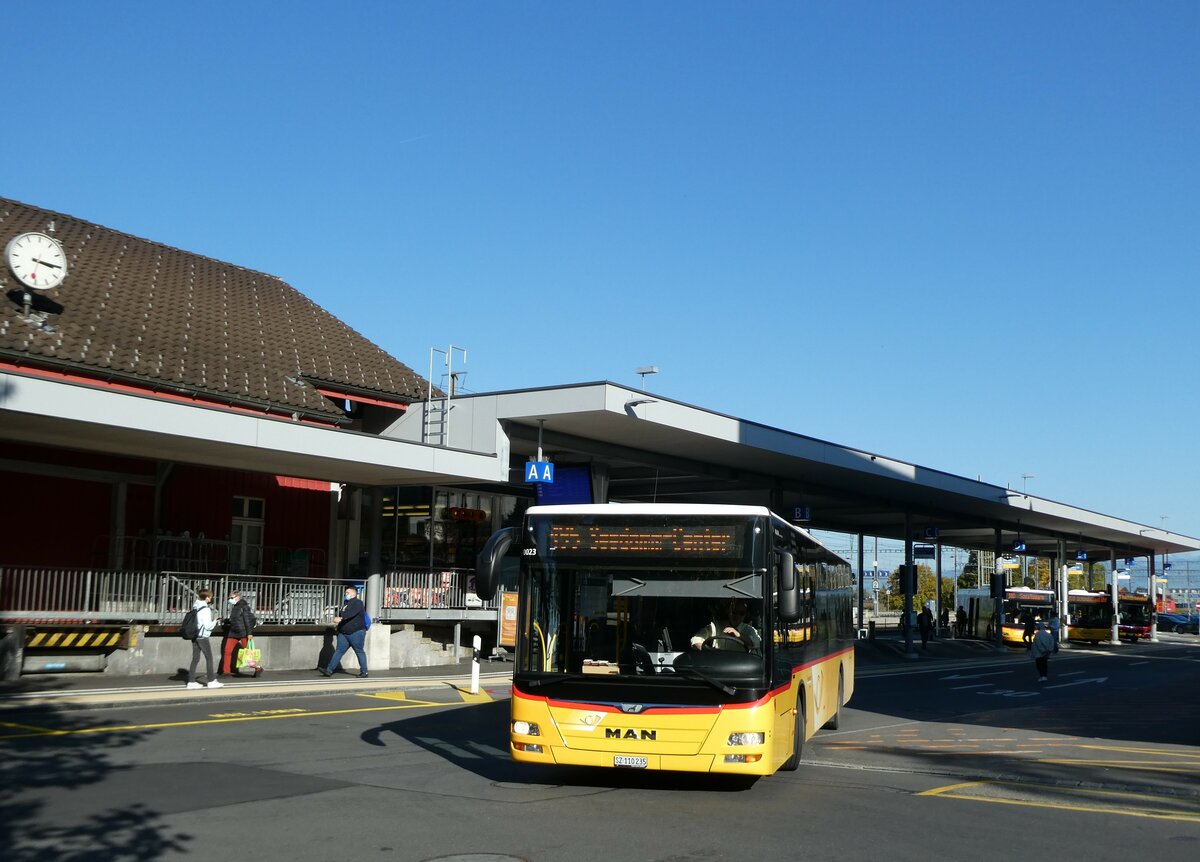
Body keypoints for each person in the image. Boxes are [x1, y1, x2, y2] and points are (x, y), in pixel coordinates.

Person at [321, 584, 369, 678]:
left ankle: (364, 672)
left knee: (359, 651)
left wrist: (341, 618)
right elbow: (344, 613)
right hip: (344, 633)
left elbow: (350, 614)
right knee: (339, 651)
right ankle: (329, 670)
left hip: (356, 632)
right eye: (345, 592)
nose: (346, 594)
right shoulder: (346, 603)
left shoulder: (358, 603)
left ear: (353, 593)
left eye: (347, 592)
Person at [690, 599, 761, 653]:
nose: (737, 616)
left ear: (745, 615)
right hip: (718, 664)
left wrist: (738, 635)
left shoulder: (749, 629)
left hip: (741, 667)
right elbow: (695, 640)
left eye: (741, 613)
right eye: (734, 612)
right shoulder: (715, 626)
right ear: (728, 612)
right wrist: (711, 651)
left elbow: (756, 642)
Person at [186, 588, 223, 689]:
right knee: (209, 658)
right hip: (203, 636)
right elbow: (207, 626)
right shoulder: (206, 609)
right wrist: (215, 621)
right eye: (210, 596)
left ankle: (191, 681)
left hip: (195, 635)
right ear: (207, 597)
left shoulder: (196, 606)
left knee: (195, 658)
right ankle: (211, 681)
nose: (211, 598)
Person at [221, 590, 259, 677]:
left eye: (231, 598)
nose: (230, 599)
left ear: (237, 597)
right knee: (227, 651)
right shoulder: (236, 606)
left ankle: (258, 668)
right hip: (234, 631)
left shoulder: (243, 606)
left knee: (249, 652)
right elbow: (236, 619)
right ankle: (226, 671)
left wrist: (249, 633)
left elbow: (247, 620)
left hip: (243, 632)